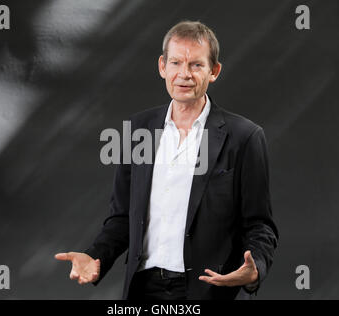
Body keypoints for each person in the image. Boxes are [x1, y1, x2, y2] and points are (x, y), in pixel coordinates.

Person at [55, 20, 278, 300]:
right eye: (175, 63)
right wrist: (95, 255)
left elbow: (260, 224)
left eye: (196, 65)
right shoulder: (138, 130)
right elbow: (122, 218)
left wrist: (255, 267)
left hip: (207, 289)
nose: (184, 74)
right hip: (142, 287)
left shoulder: (244, 137)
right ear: (163, 67)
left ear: (214, 71)